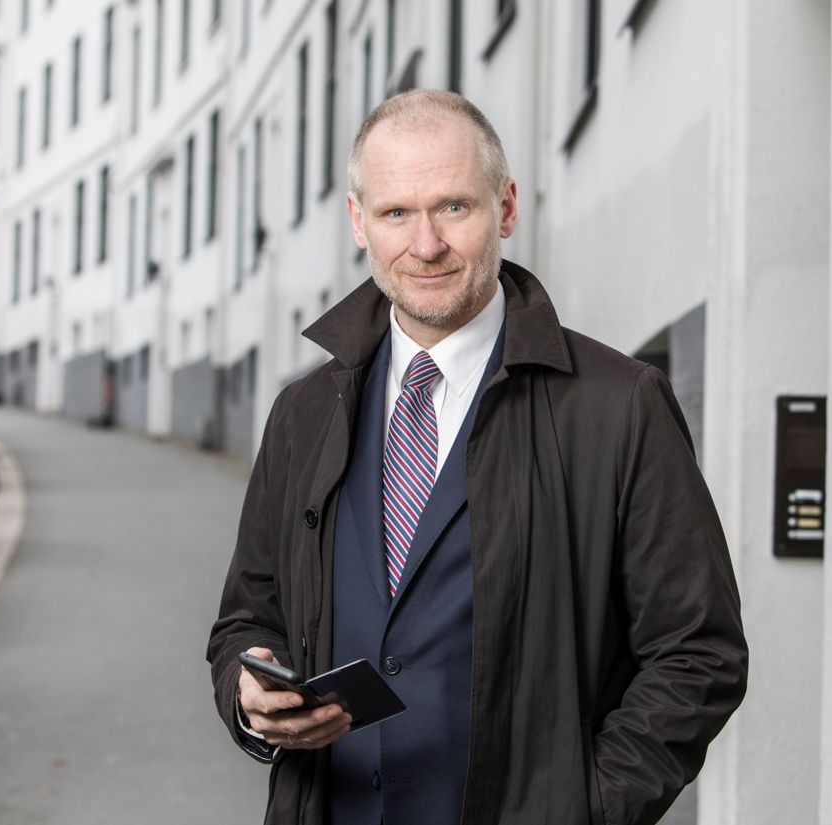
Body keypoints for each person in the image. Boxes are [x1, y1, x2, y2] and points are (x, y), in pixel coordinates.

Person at [207, 89, 748, 825]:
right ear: (359, 222)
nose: (425, 244)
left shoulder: (620, 407)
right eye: (397, 212)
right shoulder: (302, 415)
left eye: (453, 207)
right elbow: (246, 617)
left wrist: (582, 809)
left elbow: (698, 653)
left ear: (507, 206)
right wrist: (250, 693)